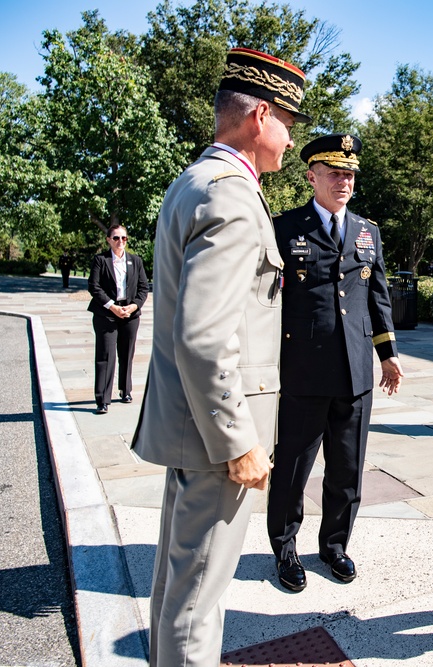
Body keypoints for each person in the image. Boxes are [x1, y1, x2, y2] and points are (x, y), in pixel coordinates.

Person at [131, 47, 309, 666]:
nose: (290, 141)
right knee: (197, 605)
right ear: (260, 116)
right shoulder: (232, 197)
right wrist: (238, 441)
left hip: (192, 430)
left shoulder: (195, 181)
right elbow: (205, 337)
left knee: (177, 588)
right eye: (288, 122)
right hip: (217, 441)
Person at [267, 133, 403, 593]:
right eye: (335, 173)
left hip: (355, 374)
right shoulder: (286, 228)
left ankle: (335, 545)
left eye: (349, 174)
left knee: (347, 469)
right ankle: (285, 550)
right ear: (312, 176)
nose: (344, 181)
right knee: (292, 471)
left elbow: (377, 298)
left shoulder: (368, 232)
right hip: (304, 371)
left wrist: (388, 356)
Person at [87, 225, 149, 414]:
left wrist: (134, 306)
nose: (120, 241)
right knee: (105, 356)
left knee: (126, 354)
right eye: (116, 238)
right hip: (106, 313)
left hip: (129, 314)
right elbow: (94, 287)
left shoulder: (135, 261)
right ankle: (102, 399)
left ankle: (125, 390)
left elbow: (143, 288)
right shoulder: (100, 260)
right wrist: (112, 306)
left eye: (123, 238)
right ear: (108, 240)